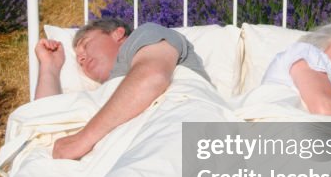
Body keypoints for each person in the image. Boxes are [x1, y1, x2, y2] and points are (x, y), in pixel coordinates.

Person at [34, 18, 211, 160]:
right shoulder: (105, 99)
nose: (81, 58)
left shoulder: (147, 33)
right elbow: (45, 121)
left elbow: (152, 77)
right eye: (79, 58)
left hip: (179, 133)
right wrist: (50, 66)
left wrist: (81, 140)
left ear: (118, 33)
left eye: (86, 44)